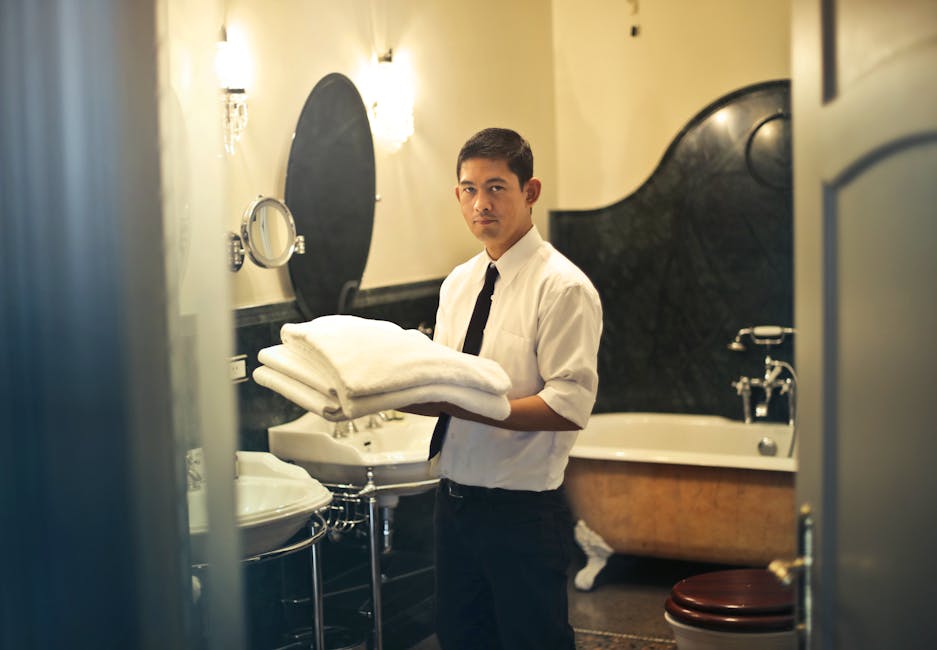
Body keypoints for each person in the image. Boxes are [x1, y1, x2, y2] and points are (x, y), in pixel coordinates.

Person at [405, 127, 603, 649]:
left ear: (530, 192)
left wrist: (475, 408)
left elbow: (569, 403)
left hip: (521, 512)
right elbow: (445, 383)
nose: (481, 203)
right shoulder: (457, 284)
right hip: (452, 505)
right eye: (469, 190)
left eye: (496, 187)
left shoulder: (563, 287)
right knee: (463, 640)